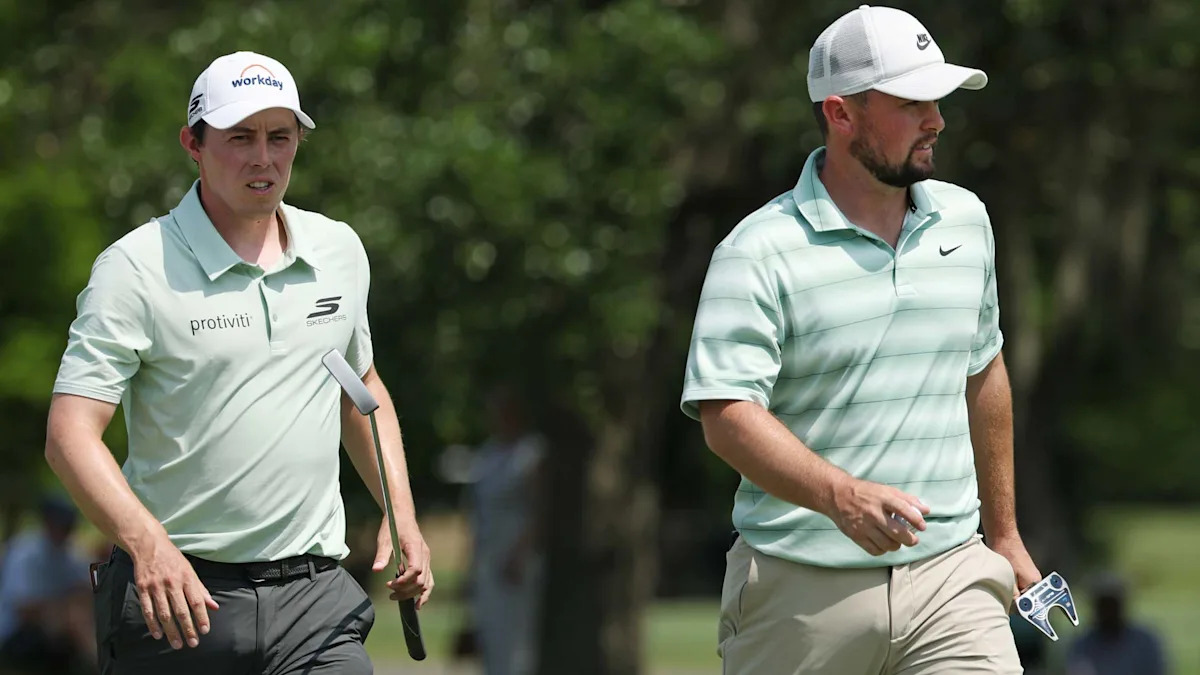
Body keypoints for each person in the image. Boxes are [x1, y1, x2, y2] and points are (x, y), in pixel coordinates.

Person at [44, 51, 433, 674]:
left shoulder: (338, 249)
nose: (263, 157)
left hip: (314, 602)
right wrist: (148, 545)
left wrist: (400, 512)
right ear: (193, 146)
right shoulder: (134, 268)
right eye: (240, 137)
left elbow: (358, 388)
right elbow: (70, 434)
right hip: (177, 599)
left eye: (280, 137)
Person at [680, 5, 1041, 674]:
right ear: (841, 113)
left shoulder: (966, 220)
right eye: (911, 103)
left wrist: (1005, 533)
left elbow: (983, 372)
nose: (936, 120)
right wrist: (839, 495)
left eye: (937, 100)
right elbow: (726, 414)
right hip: (800, 587)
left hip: (951, 579)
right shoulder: (756, 251)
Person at [464, 385, 547, 675]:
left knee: (516, 641)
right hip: (487, 554)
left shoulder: (531, 452)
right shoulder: (487, 453)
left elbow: (540, 509)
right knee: (490, 635)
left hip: (516, 555)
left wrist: (521, 553)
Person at [0, 496, 97, 674]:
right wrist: (62, 610)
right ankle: (96, 663)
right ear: (48, 523)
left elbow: (86, 587)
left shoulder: (68, 553)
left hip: (52, 627)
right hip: (16, 632)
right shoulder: (24, 552)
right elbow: (23, 608)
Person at [1066, 573, 1168, 675]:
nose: (1108, 612)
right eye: (1103, 605)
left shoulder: (1144, 643)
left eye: (1112, 605)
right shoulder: (1083, 645)